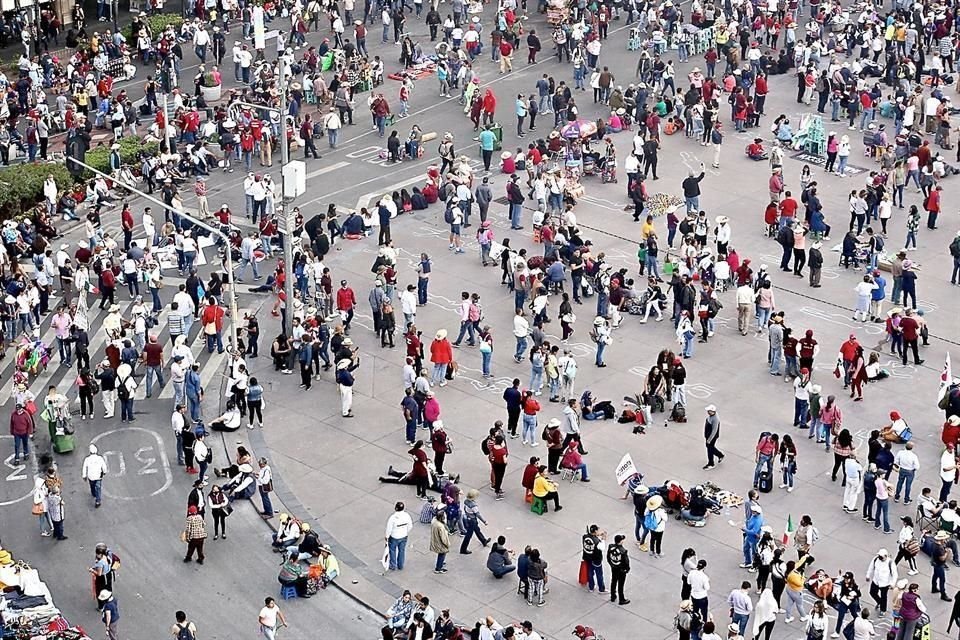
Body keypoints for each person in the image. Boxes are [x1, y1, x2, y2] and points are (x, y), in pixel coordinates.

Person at [385, 501, 413, 571]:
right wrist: (405, 532)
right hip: (403, 536)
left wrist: (387, 536)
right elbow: (410, 526)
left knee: (392, 551)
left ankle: (393, 565)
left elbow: (389, 528)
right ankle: (400, 565)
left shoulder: (393, 517)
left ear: (396, 508)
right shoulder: (407, 516)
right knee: (402, 551)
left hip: (394, 537)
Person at [82, 444, 108, 508]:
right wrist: (104, 472)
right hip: (98, 476)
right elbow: (104, 466)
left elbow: (84, 468)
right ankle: (98, 501)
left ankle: (93, 493)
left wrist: (84, 476)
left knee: (92, 485)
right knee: (98, 488)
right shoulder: (100, 458)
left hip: (91, 476)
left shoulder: (87, 459)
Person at [703, 405, 724, 469]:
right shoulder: (711, 416)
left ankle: (711, 463)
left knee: (710, 449)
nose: (707, 412)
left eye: (709, 411)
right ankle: (720, 455)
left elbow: (714, 431)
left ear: (712, 411)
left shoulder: (715, 419)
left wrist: (709, 439)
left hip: (712, 437)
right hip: (708, 436)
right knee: (710, 447)